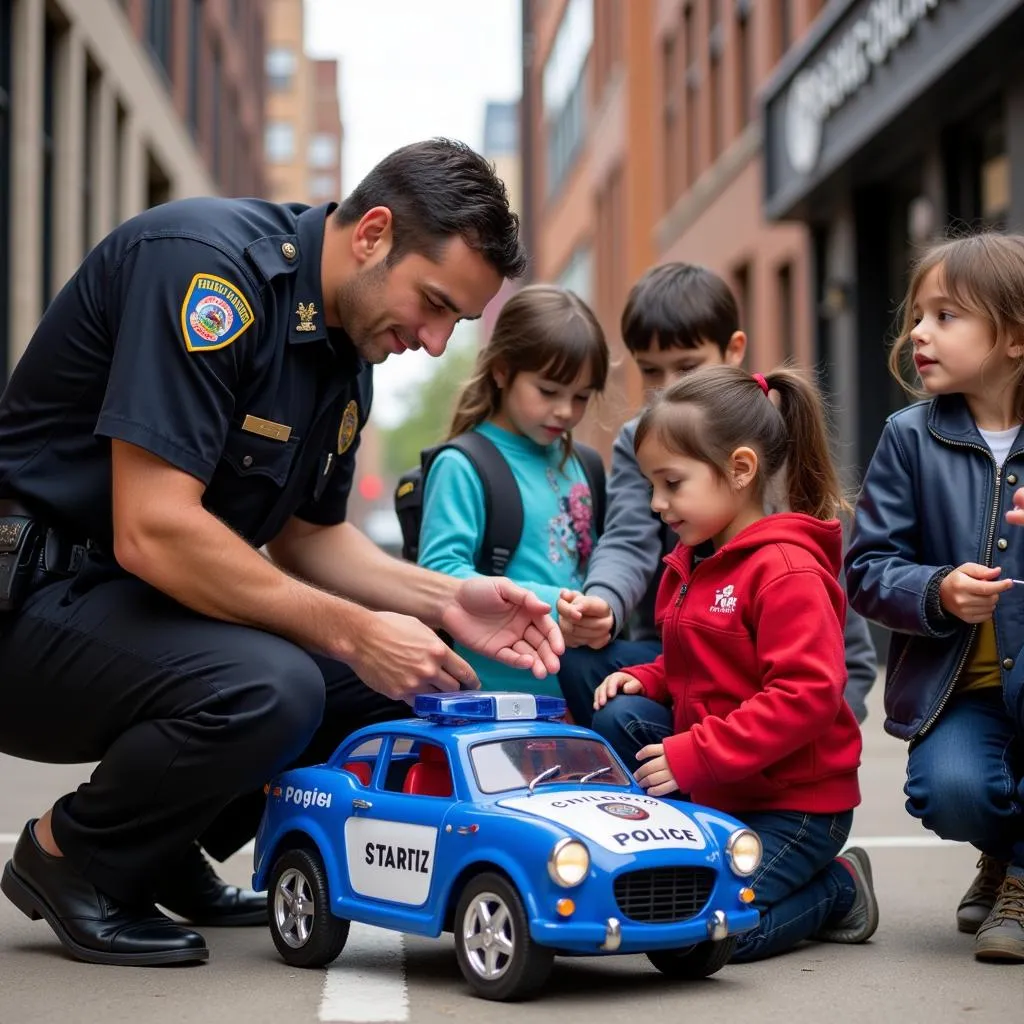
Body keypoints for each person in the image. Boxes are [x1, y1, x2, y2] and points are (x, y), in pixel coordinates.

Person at [0, 138, 565, 968]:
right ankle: (68, 854)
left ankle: (158, 847)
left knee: (406, 684)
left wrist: (441, 601)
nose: (438, 341)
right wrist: (353, 630)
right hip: (33, 609)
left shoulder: (349, 358)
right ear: (372, 233)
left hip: (132, 612)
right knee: (281, 682)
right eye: (435, 303)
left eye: (459, 323)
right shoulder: (204, 272)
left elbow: (308, 538)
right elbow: (152, 528)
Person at [590, 364, 877, 962]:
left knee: (697, 940)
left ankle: (839, 887)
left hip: (797, 806)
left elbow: (805, 695)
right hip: (733, 785)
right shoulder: (696, 557)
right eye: (651, 485)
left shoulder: (786, 571)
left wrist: (694, 756)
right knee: (620, 715)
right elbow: (697, 662)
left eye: (671, 483)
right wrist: (644, 677)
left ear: (740, 470)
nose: (657, 503)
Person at [554, 262, 879, 726]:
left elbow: (830, 583)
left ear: (733, 350)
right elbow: (629, 537)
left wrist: (831, 716)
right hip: (683, 655)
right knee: (586, 669)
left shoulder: (784, 435)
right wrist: (602, 601)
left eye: (687, 366)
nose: (670, 388)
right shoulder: (639, 441)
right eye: (651, 371)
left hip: (771, 668)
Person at [846, 232, 1024, 963]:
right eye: (918, 315)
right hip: (966, 691)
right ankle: (1007, 847)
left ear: (1013, 336)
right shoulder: (908, 437)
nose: (918, 331)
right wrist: (937, 591)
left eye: (947, 316)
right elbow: (865, 569)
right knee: (947, 790)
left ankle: (1017, 877)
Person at [417, 284, 609, 696]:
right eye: (548, 391)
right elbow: (438, 576)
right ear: (502, 370)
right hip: (492, 700)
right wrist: (554, 603)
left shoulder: (586, 464)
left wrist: (602, 609)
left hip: (580, 695)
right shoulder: (463, 464)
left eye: (581, 397)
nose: (564, 411)